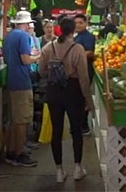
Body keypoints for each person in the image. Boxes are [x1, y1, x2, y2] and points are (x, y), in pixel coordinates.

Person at [39, 16, 93, 183]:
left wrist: (54, 74)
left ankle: (59, 171)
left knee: (57, 130)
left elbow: (41, 72)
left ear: (60, 29)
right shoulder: (78, 49)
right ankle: (77, 168)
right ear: (73, 31)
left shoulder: (48, 48)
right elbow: (83, 77)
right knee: (76, 130)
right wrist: (87, 98)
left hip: (54, 91)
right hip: (73, 91)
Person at [3, 10, 40, 167]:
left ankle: (11, 152)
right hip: (22, 81)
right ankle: (19, 154)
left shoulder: (9, 36)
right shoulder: (24, 36)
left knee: (14, 119)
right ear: (25, 24)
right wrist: (39, 56)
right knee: (23, 120)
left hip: (11, 80)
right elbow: (26, 60)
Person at [73, 14, 96, 135]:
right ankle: (79, 125)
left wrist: (76, 55)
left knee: (83, 98)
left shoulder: (88, 37)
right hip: (78, 71)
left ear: (86, 23)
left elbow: (90, 53)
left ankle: (84, 126)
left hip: (86, 71)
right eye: (76, 23)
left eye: (80, 23)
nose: (78, 25)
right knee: (78, 98)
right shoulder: (77, 36)